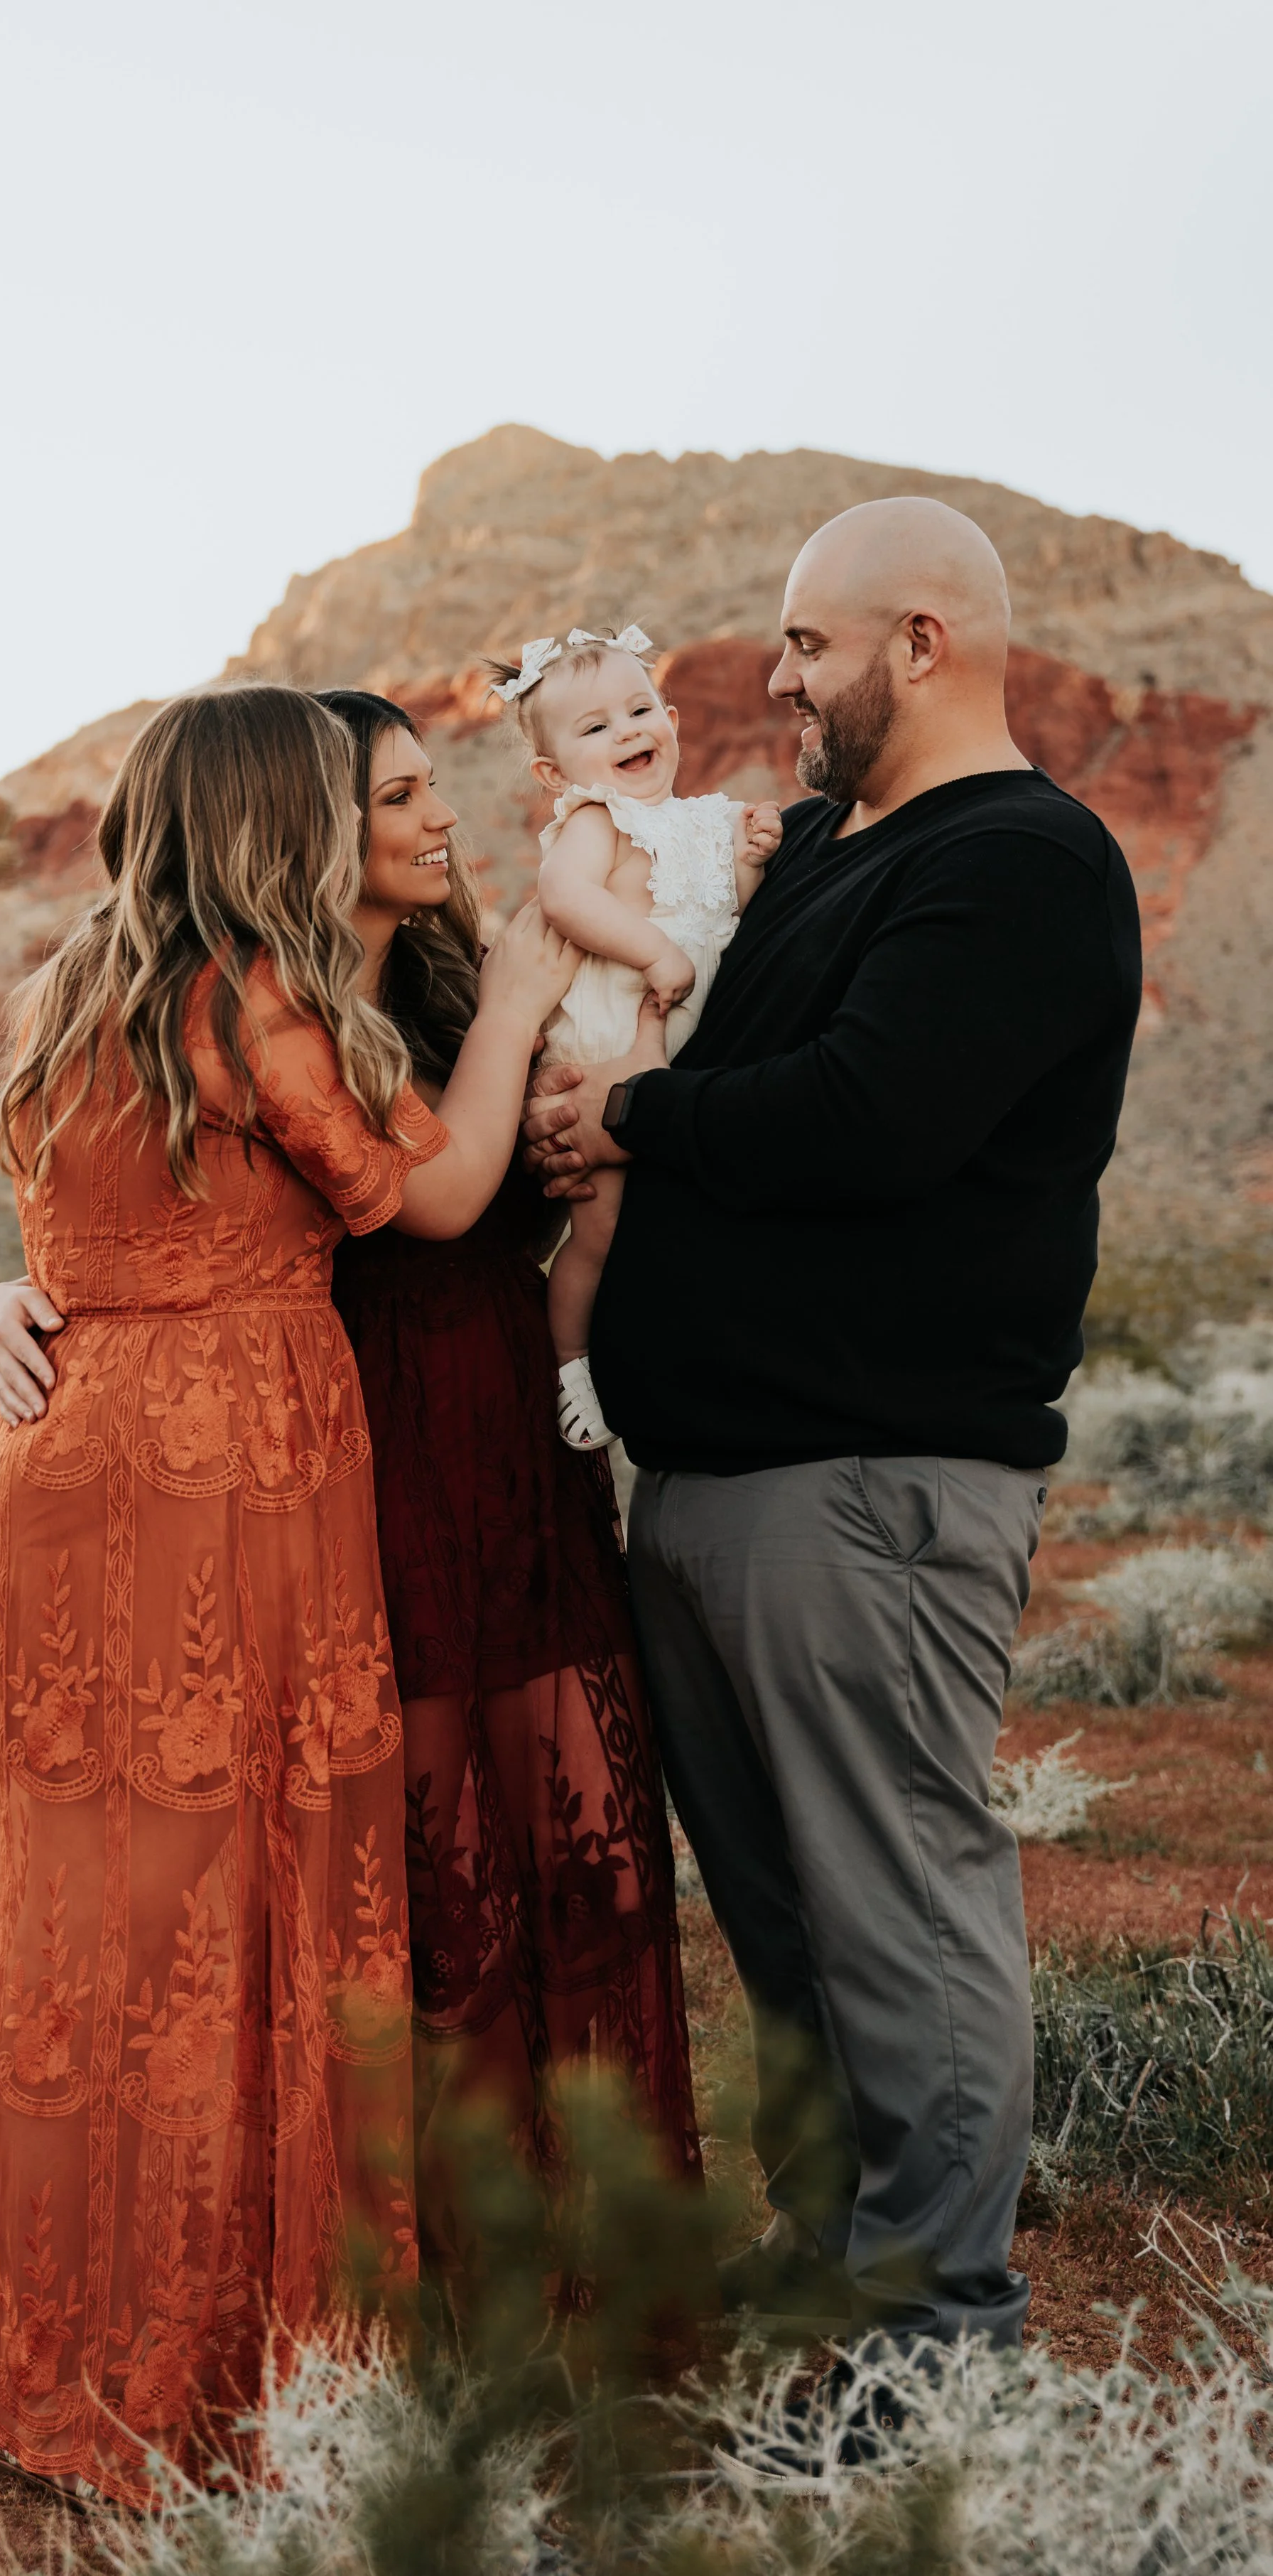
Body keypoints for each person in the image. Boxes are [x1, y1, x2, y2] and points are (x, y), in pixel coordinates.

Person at [0, 684, 575, 2506]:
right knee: (259, 1895)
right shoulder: (260, 997)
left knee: (90, 1909)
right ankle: (225, 2373)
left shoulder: (81, 991)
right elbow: (427, 1196)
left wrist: (7, 1300)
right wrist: (518, 989)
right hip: (226, 1454)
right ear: (263, 823)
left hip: (62, 1459)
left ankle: (52, 2342)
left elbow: (82, 1230)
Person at [521, 499, 1142, 2353]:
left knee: (900, 1920)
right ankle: (831, 2260)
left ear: (921, 644)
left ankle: (940, 2330)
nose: (774, 681)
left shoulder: (1022, 861)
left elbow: (867, 1115)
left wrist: (631, 1122)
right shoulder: (816, 857)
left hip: (866, 1484)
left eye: (803, 646)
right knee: (787, 1927)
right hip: (713, 1476)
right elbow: (700, 1036)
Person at [0, 690, 702, 2288]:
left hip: (440, 1443)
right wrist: (28, 1300)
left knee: (453, 1860)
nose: (432, 819)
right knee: (312, 1883)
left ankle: (470, 2255)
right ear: (295, 829)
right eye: (379, 795)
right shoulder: (270, 999)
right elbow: (391, 1196)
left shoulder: (368, 986)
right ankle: (320, 2279)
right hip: (286, 1457)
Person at [484, 624, 781, 1452]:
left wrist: (751, 861)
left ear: (674, 718)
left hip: (690, 1050)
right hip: (608, 1037)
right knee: (602, 1227)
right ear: (554, 773)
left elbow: (725, 915)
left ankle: (667, 1353)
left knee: (676, 1220)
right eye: (595, 727)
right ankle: (571, 1362)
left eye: (639, 709)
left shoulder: (708, 817)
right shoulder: (596, 820)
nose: (628, 732)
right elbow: (565, 896)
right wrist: (652, 949)